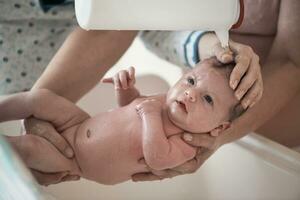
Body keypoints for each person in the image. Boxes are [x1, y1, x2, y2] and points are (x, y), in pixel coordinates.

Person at [2, 58, 246, 185]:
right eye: (191, 81)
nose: (190, 93)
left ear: (219, 128)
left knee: (30, 148)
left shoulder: (188, 144)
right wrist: (126, 89)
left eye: (207, 99)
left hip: (78, 161)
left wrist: (149, 114)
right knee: (40, 98)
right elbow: (132, 106)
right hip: (79, 123)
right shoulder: (163, 101)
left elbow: (157, 158)